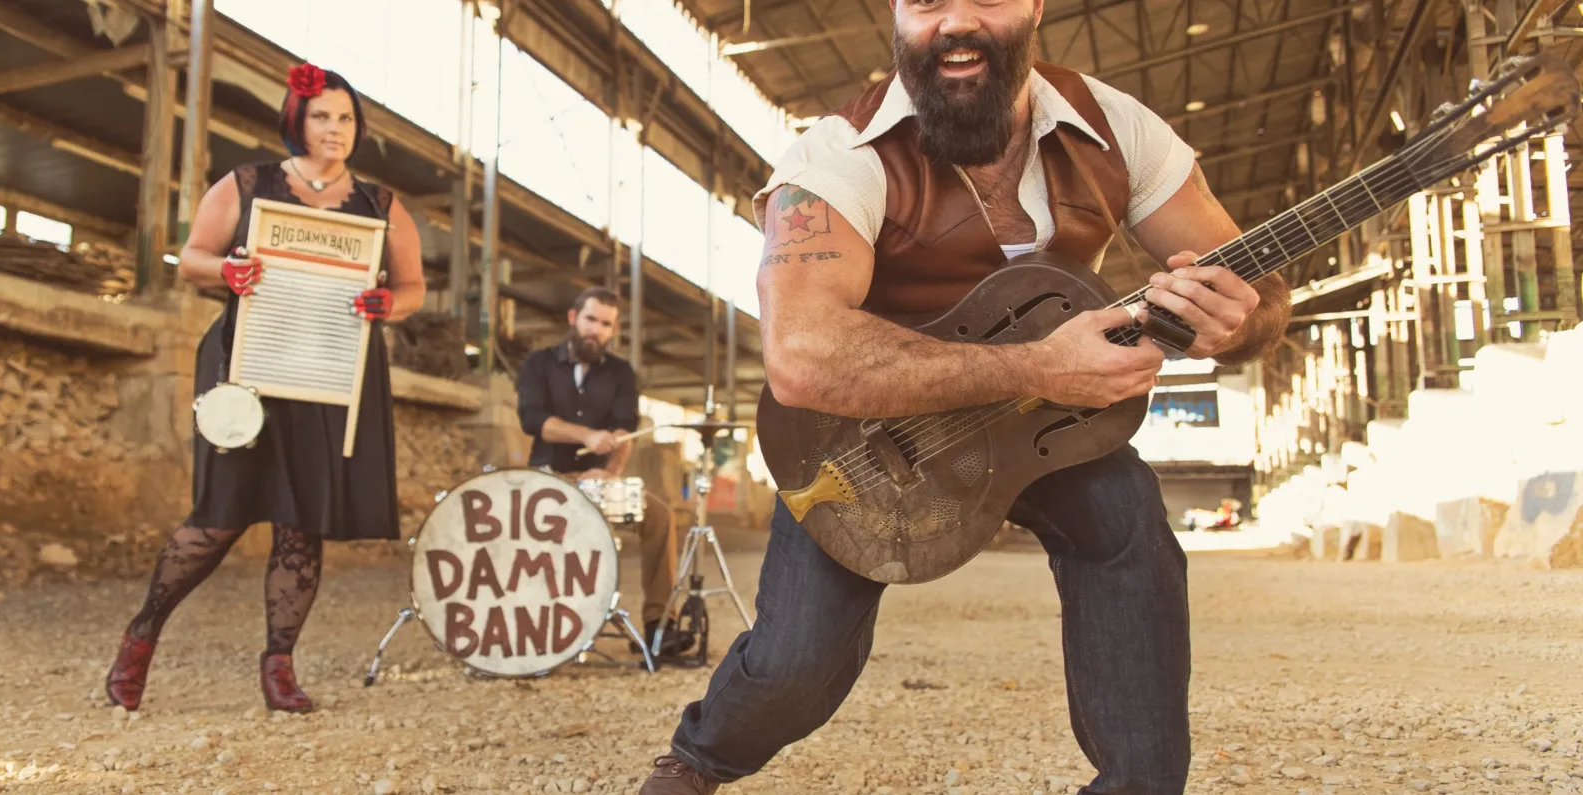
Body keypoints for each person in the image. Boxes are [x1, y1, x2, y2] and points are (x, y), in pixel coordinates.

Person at [636, 1, 1292, 793]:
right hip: (860, 443)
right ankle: (698, 759)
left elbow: (1253, 283)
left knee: (1127, 521)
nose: (954, 22)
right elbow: (801, 355)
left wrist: (1240, 319)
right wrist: (1037, 369)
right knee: (796, 664)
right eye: (926, 1)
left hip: (1041, 436)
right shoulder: (838, 155)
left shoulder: (1118, 130)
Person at [103, 63, 425, 713]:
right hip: (248, 368)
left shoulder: (381, 207)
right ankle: (141, 636)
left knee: (302, 526)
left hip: (331, 374)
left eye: (346, 118)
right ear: (297, 121)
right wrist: (228, 268)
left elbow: (413, 287)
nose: (336, 129)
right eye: (322, 116)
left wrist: (386, 302)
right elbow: (192, 257)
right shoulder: (246, 186)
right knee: (215, 520)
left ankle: (279, 662)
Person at [516, 286, 693, 658]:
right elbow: (534, 420)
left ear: (614, 330)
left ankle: (659, 626)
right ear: (572, 318)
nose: (596, 330)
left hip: (600, 480)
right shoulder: (538, 363)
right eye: (591, 319)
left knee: (660, 516)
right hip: (549, 477)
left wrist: (610, 472)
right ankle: (539, 625)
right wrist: (587, 436)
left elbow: (623, 431)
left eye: (606, 324)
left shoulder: (621, 373)